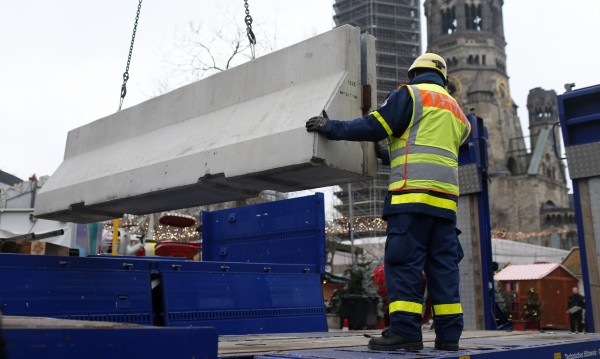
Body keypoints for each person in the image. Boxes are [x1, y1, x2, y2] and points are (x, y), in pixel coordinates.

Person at [306, 53, 471, 351]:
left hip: (411, 200)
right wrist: (388, 154)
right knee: (443, 269)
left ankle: (406, 332)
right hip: (446, 207)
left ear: (414, 74)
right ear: (443, 78)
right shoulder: (458, 113)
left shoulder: (409, 95)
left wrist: (332, 128)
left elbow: (374, 126)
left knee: (404, 264)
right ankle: (449, 337)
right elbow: (429, 146)